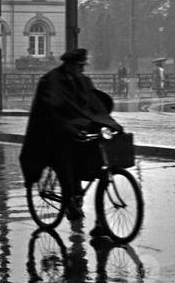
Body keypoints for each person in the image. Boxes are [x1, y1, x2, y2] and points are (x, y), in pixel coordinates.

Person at [19, 48, 119, 218]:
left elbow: (94, 105)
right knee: (64, 162)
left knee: (90, 157)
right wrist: (69, 127)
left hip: (76, 128)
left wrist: (109, 123)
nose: (82, 69)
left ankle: (95, 217)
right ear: (70, 65)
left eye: (83, 66)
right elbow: (52, 109)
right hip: (52, 131)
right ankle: (70, 201)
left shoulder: (83, 81)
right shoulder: (51, 81)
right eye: (79, 66)